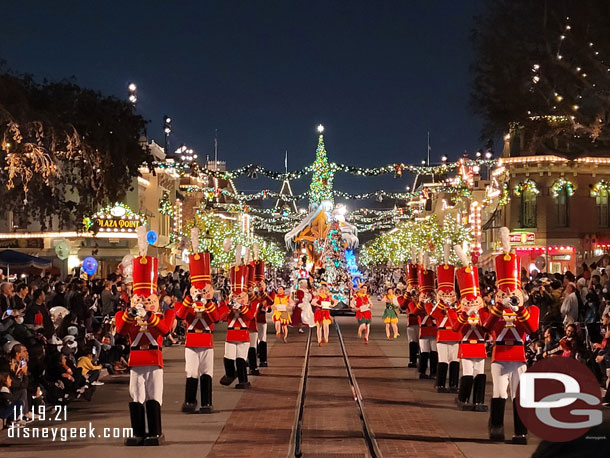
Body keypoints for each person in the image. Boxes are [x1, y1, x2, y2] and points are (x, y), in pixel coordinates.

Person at [115, 240, 176, 446]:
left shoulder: (163, 315)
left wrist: (150, 316)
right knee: (136, 396)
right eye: (140, 299)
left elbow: (165, 330)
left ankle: (155, 432)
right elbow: (121, 330)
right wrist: (132, 315)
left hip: (153, 358)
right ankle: (138, 432)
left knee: (153, 396)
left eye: (148, 299)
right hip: (136, 360)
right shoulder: (124, 314)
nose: (144, 303)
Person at [485, 229, 540, 445]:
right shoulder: (495, 310)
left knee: (518, 395)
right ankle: (496, 427)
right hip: (499, 356)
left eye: (513, 293)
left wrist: (518, 309)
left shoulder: (531, 309)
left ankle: (520, 432)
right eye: (505, 293)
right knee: (500, 393)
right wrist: (500, 306)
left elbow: (532, 328)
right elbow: (488, 326)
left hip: (518, 356)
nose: (510, 297)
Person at [175, 246, 221, 413]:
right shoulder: (187, 303)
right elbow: (180, 315)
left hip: (206, 341)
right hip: (192, 341)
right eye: (198, 290)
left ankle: (206, 402)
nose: (200, 293)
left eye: (203, 290)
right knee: (191, 371)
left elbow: (215, 318)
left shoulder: (211, 305)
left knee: (207, 372)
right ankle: (189, 400)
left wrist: (207, 303)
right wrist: (190, 299)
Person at [449, 247, 489, 412]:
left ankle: (478, 400)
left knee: (479, 374)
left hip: (479, 345)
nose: (473, 304)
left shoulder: (484, 313)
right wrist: (465, 315)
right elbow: (456, 327)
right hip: (466, 345)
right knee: (467, 373)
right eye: (469, 301)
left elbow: (488, 327)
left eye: (475, 301)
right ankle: (463, 398)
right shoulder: (456, 312)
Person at [218, 264, 256, 389]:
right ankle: (230, 374)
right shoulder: (229, 306)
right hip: (231, 334)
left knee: (240, 359)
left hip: (243, 335)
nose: (238, 299)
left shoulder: (249, 307)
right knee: (228, 357)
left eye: (240, 297)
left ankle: (243, 380)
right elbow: (221, 316)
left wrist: (241, 307)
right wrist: (228, 304)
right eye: (236, 297)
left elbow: (250, 317)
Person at [428, 253, 461, 393]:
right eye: (444, 294)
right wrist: (442, 303)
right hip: (442, 335)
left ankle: (454, 384)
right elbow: (433, 315)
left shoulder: (458, 305)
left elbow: (461, 315)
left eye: (450, 294)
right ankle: (440, 383)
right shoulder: (437, 305)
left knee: (455, 360)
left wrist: (453, 305)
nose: (448, 297)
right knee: (443, 360)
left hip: (455, 335)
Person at [411, 262, 437, 378]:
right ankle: (422, 371)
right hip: (424, 331)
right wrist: (422, 302)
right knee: (424, 351)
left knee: (434, 352)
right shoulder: (418, 305)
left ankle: (433, 372)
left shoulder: (435, 305)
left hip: (434, 331)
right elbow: (415, 312)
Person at [401, 261, 420, 368]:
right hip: (412, 321)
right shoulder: (407, 295)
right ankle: (413, 360)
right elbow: (403, 306)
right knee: (413, 341)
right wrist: (408, 293)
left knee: (423, 344)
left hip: (423, 321)